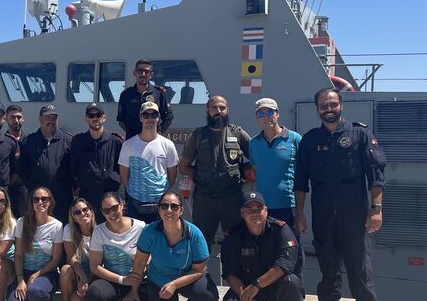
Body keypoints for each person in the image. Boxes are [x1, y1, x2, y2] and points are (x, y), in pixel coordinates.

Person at [293, 88, 386, 301]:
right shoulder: (310, 140)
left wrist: (376, 209)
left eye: (333, 104)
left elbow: (376, 175)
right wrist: (299, 214)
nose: (329, 109)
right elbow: (301, 182)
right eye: (324, 105)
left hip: (353, 212)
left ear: (341, 105)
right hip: (323, 211)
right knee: (328, 266)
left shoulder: (360, 135)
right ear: (317, 109)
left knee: (359, 267)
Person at [218, 192, 303, 301]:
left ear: (266, 211)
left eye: (258, 209)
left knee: (292, 282)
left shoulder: (281, 230)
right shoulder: (233, 236)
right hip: (247, 286)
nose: (254, 213)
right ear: (242, 214)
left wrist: (257, 285)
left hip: (273, 285)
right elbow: (230, 273)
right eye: (249, 210)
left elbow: (285, 265)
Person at [129, 191, 219, 301]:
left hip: (188, 278)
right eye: (164, 206)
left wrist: (174, 285)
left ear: (181, 210)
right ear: (159, 210)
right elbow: (139, 262)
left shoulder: (194, 234)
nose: (169, 210)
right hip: (159, 281)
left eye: (174, 206)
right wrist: (133, 290)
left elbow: (199, 270)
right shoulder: (149, 231)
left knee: (208, 297)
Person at [178, 95, 251, 248]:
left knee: (236, 243)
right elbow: (183, 167)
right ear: (207, 111)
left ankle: (233, 272)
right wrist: (201, 176)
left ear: (227, 110)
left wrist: (241, 173)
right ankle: (201, 273)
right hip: (204, 200)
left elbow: (257, 161)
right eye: (214, 108)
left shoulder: (238, 134)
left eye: (222, 108)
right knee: (200, 244)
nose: (218, 111)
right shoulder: (197, 136)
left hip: (232, 199)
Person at [247, 98, 304, 285]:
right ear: (257, 117)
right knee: (268, 254)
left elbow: (302, 174)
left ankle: (297, 299)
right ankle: (273, 298)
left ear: (277, 113)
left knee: (292, 252)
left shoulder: (294, 139)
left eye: (270, 112)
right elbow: (256, 170)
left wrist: (300, 213)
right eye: (261, 113)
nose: (266, 117)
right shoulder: (254, 143)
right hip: (263, 210)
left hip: (289, 207)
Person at [85, 192, 147, 301]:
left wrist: (133, 288)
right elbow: (94, 266)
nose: (111, 213)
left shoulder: (141, 227)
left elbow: (147, 260)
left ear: (122, 205)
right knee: (94, 292)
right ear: (102, 212)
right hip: (114, 280)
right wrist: (122, 280)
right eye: (107, 211)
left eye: (114, 208)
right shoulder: (99, 231)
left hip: (138, 281)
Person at [5, 187, 65, 301]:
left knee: (35, 291)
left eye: (44, 199)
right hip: (24, 273)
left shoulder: (57, 226)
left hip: (46, 273)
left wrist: (37, 274)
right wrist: (20, 280)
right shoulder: (22, 222)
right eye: (36, 199)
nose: (40, 202)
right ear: (31, 202)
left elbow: (55, 260)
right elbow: (18, 255)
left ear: (50, 202)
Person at [118, 101, 179, 223]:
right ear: (141, 118)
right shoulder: (128, 145)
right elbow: (124, 176)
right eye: (146, 115)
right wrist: (136, 191)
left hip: (160, 205)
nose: (150, 118)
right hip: (135, 204)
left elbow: (172, 176)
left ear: (158, 118)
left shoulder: (168, 145)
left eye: (153, 115)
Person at [69, 103, 123, 223]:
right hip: (87, 197)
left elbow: (122, 169)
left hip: (110, 198)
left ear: (103, 117)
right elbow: (73, 168)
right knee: (88, 233)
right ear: (86, 118)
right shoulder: (78, 142)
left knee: (111, 231)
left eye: (98, 115)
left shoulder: (116, 142)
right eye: (91, 115)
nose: (95, 118)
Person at [20, 104, 73, 222]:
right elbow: (23, 171)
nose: (51, 121)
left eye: (54, 118)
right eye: (47, 117)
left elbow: (74, 169)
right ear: (40, 119)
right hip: (38, 200)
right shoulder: (28, 142)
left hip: (62, 200)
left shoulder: (68, 141)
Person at [59, 197, 96, 301]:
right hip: (78, 273)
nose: (82, 214)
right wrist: (83, 278)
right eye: (77, 212)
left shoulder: (100, 230)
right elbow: (72, 257)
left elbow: (100, 263)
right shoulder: (69, 229)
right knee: (65, 269)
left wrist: (88, 280)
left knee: (81, 300)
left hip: (96, 273)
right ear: (73, 217)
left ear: (91, 211)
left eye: (85, 210)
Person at [117, 59, 173, 139]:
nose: (143, 74)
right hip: (133, 141)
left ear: (151, 74)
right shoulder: (126, 95)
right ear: (135, 73)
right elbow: (121, 120)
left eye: (146, 72)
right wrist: (135, 136)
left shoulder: (160, 94)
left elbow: (168, 118)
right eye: (140, 71)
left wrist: (157, 134)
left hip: (153, 141)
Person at [4, 104, 28, 217]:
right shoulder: (0, 143)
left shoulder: (30, 142)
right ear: (6, 119)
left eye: (19, 117)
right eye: (12, 117)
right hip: (6, 192)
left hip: (26, 193)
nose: (16, 120)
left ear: (23, 118)